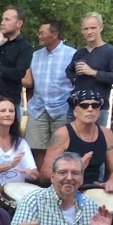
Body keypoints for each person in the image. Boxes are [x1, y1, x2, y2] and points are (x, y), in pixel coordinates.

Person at [38, 89, 113, 189]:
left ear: (99, 111)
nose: (90, 109)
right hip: (66, 188)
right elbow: (46, 173)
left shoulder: (107, 134)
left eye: (95, 106)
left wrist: (111, 182)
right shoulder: (63, 134)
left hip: (93, 188)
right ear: (75, 111)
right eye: (84, 105)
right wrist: (76, 168)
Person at [23, 20, 76, 156]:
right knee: (35, 150)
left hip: (62, 109)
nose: (39, 36)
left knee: (61, 150)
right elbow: (30, 83)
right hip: (38, 109)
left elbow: (77, 83)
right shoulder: (35, 56)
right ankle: (41, 178)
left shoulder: (72, 55)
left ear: (55, 34)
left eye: (42, 33)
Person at [67, 13, 113, 128]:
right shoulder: (79, 53)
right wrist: (75, 78)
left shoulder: (111, 52)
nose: (89, 32)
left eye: (93, 28)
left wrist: (93, 72)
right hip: (76, 106)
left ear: (101, 28)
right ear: (82, 31)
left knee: (95, 143)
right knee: (72, 143)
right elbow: (69, 71)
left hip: (98, 107)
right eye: (86, 29)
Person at [0, 97, 39, 186]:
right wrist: (10, 165)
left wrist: (31, 173)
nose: (8, 114)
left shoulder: (21, 143)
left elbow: (34, 173)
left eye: (11, 111)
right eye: (3, 111)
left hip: (16, 192)